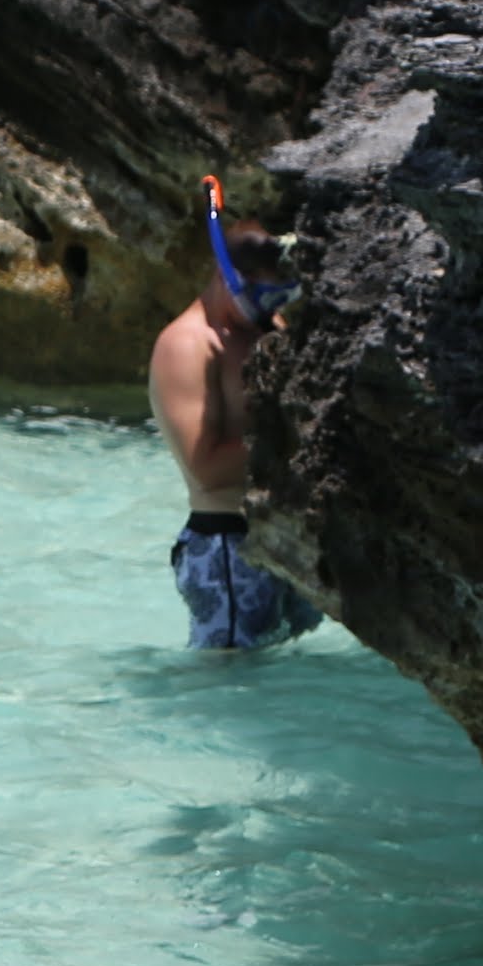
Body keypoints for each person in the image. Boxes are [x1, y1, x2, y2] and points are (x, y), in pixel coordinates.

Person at [151, 180, 321, 654]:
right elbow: (205, 468)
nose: (272, 313)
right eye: (265, 299)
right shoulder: (188, 346)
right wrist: (300, 441)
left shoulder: (265, 328)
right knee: (228, 683)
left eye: (283, 299)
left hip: (280, 538)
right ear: (227, 278)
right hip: (227, 549)